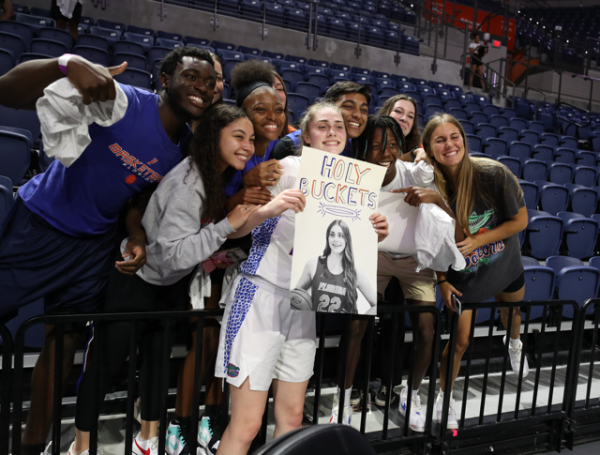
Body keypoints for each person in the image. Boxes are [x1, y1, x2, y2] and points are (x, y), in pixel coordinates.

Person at [0, 46, 216, 455]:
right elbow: (7, 91)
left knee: (61, 350)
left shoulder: (186, 150)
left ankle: (30, 447)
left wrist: (135, 235)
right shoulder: (123, 102)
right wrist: (62, 63)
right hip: (40, 224)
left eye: (209, 82)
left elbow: (140, 202)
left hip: (93, 246)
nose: (202, 88)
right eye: (192, 77)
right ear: (165, 80)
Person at [69, 103, 260, 455]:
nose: (248, 146)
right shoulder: (191, 182)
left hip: (169, 284)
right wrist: (228, 224)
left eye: (250, 138)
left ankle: (149, 439)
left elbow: (194, 247)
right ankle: (80, 447)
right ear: (212, 137)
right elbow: (176, 254)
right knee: (107, 366)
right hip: (137, 280)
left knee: (157, 363)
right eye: (238, 136)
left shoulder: (210, 175)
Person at [213, 101, 389, 455]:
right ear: (306, 135)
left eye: (338, 126)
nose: (332, 132)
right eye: (323, 126)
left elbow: (346, 251)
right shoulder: (286, 168)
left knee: (292, 418)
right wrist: (272, 208)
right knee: (247, 424)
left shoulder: (354, 184)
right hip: (259, 296)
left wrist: (375, 234)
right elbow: (230, 232)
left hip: (303, 303)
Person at [404, 113, 528, 430]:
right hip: (465, 276)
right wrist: (442, 280)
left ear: (464, 139)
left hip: (503, 263)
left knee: (512, 316)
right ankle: (446, 401)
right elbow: (431, 239)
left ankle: (514, 343)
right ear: (430, 149)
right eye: (440, 139)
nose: (449, 144)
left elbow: (520, 221)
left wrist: (479, 240)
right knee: (458, 343)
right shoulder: (432, 185)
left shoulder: (494, 174)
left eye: (454, 136)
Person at [331, 115, 436, 427]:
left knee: (427, 330)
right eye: (376, 146)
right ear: (364, 148)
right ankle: (342, 398)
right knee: (354, 327)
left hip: (413, 260)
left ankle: (412, 394)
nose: (385, 152)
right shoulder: (353, 176)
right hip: (371, 255)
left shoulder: (416, 172)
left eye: (391, 145)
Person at [224, 60, 287, 211]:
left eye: (278, 110)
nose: (272, 116)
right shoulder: (230, 152)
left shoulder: (275, 142)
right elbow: (209, 214)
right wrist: (244, 185)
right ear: (242, 113)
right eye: (260, 109)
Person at [291, 218, 377, 314]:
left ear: (346, 240)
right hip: (315, 326)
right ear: (328, 238)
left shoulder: (356, 273)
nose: (336, 239)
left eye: (341, 236)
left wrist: (359, 321)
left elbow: (376, 305)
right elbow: (294, 296)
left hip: (342, 328)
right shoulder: (313, 264)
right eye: (332, 235)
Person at [270, 81, 371, 160]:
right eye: (348, 106)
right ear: (328, 106)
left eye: (363, 110)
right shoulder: (289, 145)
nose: (358, 115)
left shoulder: (358, 150)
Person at [377, 94, 429, 164]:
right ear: (386, 113)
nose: (404, 119)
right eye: (398, 111)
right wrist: (412, 154)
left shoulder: (420, 148)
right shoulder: (365, 138)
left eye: (410, 116)